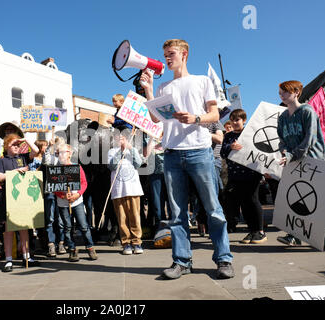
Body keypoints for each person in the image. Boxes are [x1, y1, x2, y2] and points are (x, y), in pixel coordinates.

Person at [140, 39, 234, 280]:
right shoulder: (162, 87)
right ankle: (182, 261)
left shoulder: (202, 81)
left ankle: (224, 259)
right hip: (172, 154)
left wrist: (195, 118)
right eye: (164, 54)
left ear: (184, 54)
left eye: (170, 53)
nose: (166, 58)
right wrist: (149, 90)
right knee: (177, 213)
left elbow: (214, 114)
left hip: (200, 151)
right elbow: (155, 120)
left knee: (213, 208)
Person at [276, 80, 325, 246]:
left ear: (296, 92)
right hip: (293, 161)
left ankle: (322, 236)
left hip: (313, 160)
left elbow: (309, 139)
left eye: (286, 92)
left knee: (316, 199)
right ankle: (294, 235)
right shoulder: (282, 117)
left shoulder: (307, 111)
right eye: (281, 93)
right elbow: (281, 139)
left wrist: (292, 155)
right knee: (295, 196)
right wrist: (284, 153)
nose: (282, 95)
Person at [0, 133, 40, 272]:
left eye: (18, 145)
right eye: (13, 144)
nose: (16, 147)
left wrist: (25, 140)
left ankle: (26, 256)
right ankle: (8, 260)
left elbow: (36, 151)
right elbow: (0, 177)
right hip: (8, 198)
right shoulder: (2, 160)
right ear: (7, 146)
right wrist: (15, 171)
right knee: (9, 230)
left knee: (24, 227)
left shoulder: (23, 157)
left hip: (23, 198)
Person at [220, 109, 267, 244]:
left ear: (244, 120)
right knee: (243, 203)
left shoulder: (249, 133)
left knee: (253, 200)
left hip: (251, 173)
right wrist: (231, 147)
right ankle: (252, 231)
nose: (235, 122)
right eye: (233, 120)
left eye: (237, 120)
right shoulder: (228, 136)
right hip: (235, 175)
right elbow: (223, 153)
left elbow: (259, 150)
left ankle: (260, 231)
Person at [54, 143, 98, 262]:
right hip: (63, 203)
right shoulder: (55, 169)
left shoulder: (77, 167)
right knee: (67, 227)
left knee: (83, 226)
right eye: (59, 153)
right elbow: (53, 186)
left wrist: (77, 194)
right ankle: (72, 250)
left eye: (63, 152)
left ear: (70, 154)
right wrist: (62, 195)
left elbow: (84, 183)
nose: (61, 155)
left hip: (77, 201)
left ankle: (90, 247)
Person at [108, 127, 144, 255]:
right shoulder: (112, 151)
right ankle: (126, 243)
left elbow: (138, 164)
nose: (121, 140)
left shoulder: (133, 150)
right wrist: (121, 151)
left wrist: (130, 149)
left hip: (133, 189)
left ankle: (137, 241)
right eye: (119, 137)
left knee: (135, 216)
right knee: (122, 218)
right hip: (118, 190)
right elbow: (111, 166)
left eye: (123, 138)